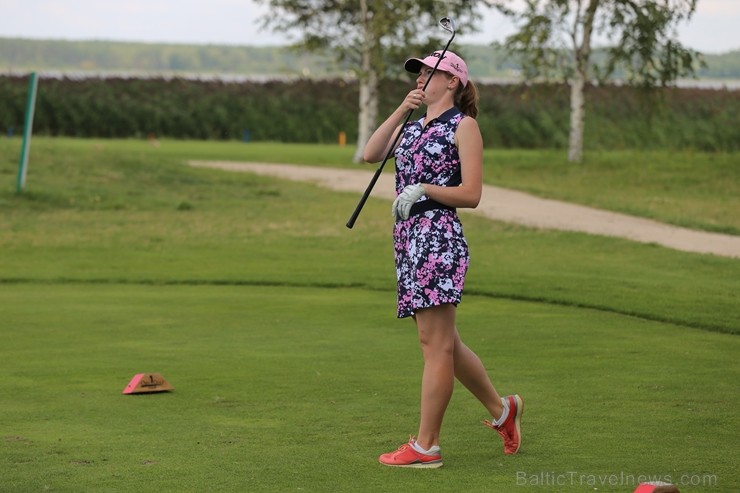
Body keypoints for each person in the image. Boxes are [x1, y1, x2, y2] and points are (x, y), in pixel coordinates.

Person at [362, 50, 523, 469]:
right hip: (407, 240)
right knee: (444, 342)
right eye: (417, 74)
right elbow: (370, 153)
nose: (420, 79)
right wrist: (402, 109)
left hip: (438, 238)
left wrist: (426, 189)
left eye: (428, 73)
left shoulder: (463, 126)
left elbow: (471, 193)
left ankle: (426, 446)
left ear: (452, 81)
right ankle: (503, 411)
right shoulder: (412, 127)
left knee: (434, 345)